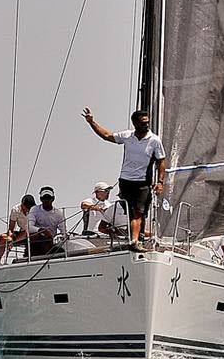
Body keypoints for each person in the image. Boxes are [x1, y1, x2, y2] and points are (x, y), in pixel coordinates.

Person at [83, 107, 167, 246]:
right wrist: (92, 122)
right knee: (132, 212)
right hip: (125, 181)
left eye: (147, 122)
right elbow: (107, 136)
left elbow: (161, 161)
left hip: (143, 182)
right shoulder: (127, 136)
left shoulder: (154, 140)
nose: (146, 125)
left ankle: (134, 241)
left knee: (138, 212)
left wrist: (160, 182)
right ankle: (137, 238)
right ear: (135, 124)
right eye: (143, 123)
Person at [27, 186, 65, 255]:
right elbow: (29, 228)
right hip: (36, 244)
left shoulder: (59, 213)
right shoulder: (34, 210)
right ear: (41, 199)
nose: (46, 200)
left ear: (53, 199)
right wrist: (42, 230)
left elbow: (64, 232)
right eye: (44, 198)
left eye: (49, 198)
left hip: (50, 244)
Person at [0, 194, 36, 263]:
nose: (28, 209)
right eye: (26, 207)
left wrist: (13, 242)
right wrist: (10, 237)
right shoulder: (15, 210)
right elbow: (11, 228)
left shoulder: (36, 210)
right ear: (22, 204)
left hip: (34, 234)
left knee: (28, 230)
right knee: (3, 237)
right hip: (21, 234)